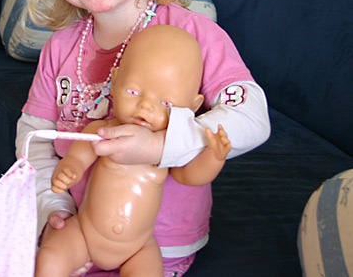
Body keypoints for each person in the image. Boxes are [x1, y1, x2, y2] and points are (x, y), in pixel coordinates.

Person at [15, 0, 270, 276]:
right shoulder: (61, 47)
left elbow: (253, 118)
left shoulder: (194, 34)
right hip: (79, 232)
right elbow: (34, 138)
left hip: (161, 244)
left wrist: (161, 144)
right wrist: (51, 205)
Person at [35, 25, 231, 276]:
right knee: (50, 258)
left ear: (191, 108)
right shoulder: (104, 130)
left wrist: (213, 157)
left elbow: (190, 176)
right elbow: (79, 155)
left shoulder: (169, 147)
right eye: (133, 92)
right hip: (84, 231)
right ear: (116, 81)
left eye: (165, 103)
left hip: (138, 247)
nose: (145, 106)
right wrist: (70, 168)